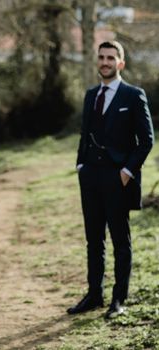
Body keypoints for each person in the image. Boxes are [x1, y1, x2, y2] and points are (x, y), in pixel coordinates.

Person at [67, 41, 154, 319]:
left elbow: (147, 140)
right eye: (101, 57)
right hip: (90, 176)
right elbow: (84, 133)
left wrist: (127, 172)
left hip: (119, 179)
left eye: (110, 58)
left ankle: (119, 299)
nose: (105, 62)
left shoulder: (133, 95)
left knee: (120, 240)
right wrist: (81, 164)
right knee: (94, 240)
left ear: (121, 63)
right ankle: (94, 295)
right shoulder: (92, 94)